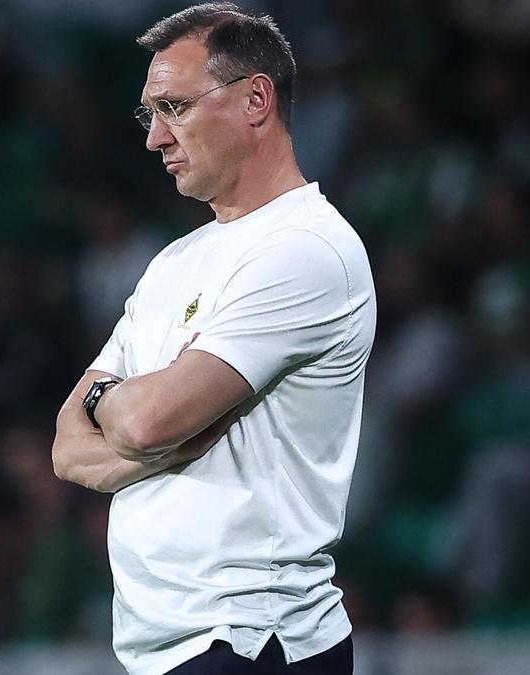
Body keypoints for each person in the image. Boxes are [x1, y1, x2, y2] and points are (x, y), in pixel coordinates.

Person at [51, 4, 375, 674]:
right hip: (173, 645)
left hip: (253, 639)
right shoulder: (173, 262)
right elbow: (65, 446)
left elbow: (141, 420)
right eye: (150, 114)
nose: (154, 139)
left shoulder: (307, 249)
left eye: (174, 107)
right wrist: (140, 431)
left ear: (256, 99)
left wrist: (118, 411)